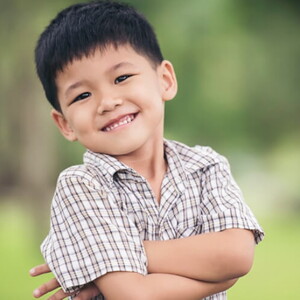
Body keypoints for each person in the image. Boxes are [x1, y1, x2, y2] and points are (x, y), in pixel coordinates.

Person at [29, 1, 264, 299]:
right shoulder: (81, 186)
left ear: (164, 80)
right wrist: (219, 278)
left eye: (122, 78)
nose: (108, 101)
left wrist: (114, 255)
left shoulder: (206, 166)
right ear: (65, 124)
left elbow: (237, 256)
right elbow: (135, 296)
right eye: (83, 95)